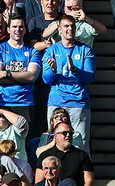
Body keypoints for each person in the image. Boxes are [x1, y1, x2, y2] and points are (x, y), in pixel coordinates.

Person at [40, 15, 95, 147]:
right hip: (56, 103)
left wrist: (75, 70)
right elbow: (46, 80)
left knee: (79, 144)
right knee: (54, 143)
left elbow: (89, 77)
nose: (70, 29)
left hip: (78, 103)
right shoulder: (51, 51)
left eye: (72, 26)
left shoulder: (85, 50)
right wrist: (53, 70)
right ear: (59, 29)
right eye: (66, 26)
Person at [0, 15, 40, 123]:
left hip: (25, 104)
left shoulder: (33, 51)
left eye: (21, 27)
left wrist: (6, 74)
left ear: (25, 29)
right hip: (2, 103)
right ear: (8, 29)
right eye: (14, 26)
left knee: (24, 139)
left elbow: (32, 76)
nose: (18, 30)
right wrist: (23, 76)